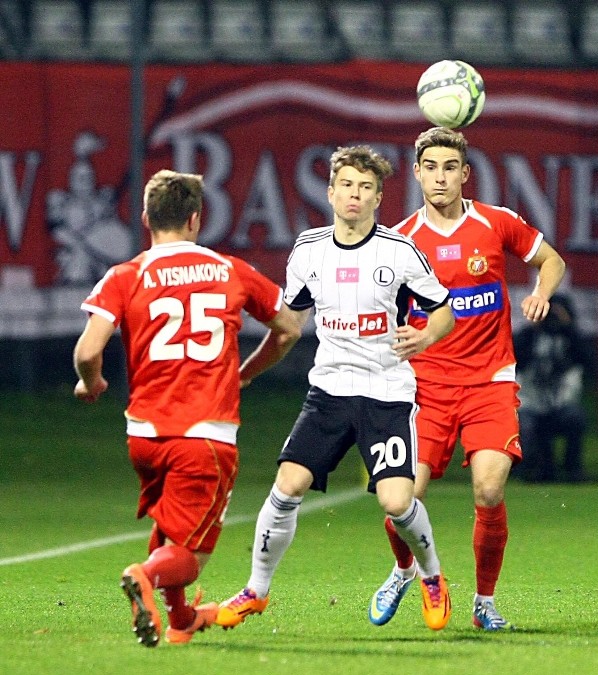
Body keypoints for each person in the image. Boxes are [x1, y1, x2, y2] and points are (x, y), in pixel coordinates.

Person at [215, 146, 456, 631]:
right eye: (346, 185)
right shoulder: (308, 251)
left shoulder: (399, 252)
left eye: (365, 188)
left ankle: (431, 577)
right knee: (287, 488)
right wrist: (244, 372)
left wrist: (427, 334)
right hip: (328, 391)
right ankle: (255, 591)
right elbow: (288, 325)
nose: (355, 194)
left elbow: (444, 309)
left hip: (386, 391)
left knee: (395, 502)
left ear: (378, 198)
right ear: (330, 192)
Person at [73, 169, 302, 647]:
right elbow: (288, 329)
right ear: (197, 219)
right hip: (204, 438)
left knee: (171, 528)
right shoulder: (230, 270)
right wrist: (247, 373)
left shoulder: (126, 275)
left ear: (145, 218)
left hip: (144, 436)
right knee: (191, 553)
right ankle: (144, 575)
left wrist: (90, 384)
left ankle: (180, 621)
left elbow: (88, 351)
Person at [369, 126, 566, 631]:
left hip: (489, 382)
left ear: (465, 174)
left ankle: (484, 602)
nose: (440, 177)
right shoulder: (400, 241)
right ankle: (405, 569)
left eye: (449, 167)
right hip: (425, 388)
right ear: (415, 173)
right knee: (401, 498)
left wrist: (541, 292)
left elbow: (551, 260)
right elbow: (381, 311)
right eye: (430, 167)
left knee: (489, 489)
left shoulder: (495, 223)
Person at [514, 293, 596, 483]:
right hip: (530, 402)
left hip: (563, 402)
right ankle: (531, 469)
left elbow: (589, 361)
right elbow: (514, 358)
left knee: (575, 418)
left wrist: (568, 326)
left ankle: (573, 469)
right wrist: (533, 327)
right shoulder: (528, 337)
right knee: (525, 425)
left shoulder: (573, 338)